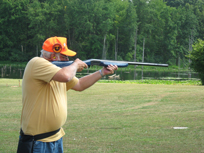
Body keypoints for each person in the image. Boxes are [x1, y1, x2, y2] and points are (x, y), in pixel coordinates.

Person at [17, 36, 118, 153]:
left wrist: (101, 72)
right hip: (38, 142)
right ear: (53, 56)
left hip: (56, 137)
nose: (67, 59)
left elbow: (80, 84)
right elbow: (66, 76)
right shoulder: (36, 63)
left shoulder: (58, 72)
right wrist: (75, 65)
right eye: (65, 56)